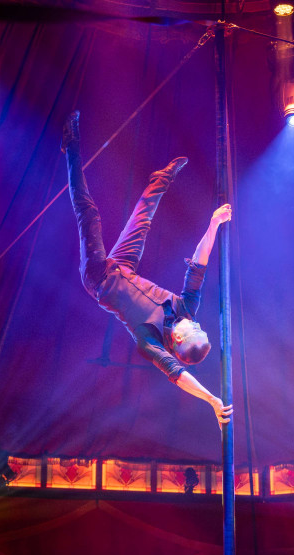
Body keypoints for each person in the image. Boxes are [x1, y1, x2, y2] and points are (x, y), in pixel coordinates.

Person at [62, 111, 233, 426]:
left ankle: (70, 146)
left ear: (178, 339)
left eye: (195, 329)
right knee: (143, 218)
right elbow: (199, 264)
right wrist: (214, 224)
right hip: (124, 266)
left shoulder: (150, 341)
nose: (196, 323)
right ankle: (161, 178)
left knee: (89, 213)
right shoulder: (186, 309)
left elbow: (177, 375)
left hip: (99, 278)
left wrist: (211, 399)